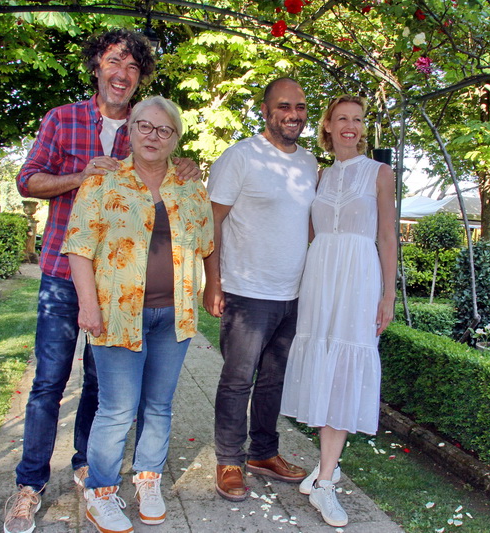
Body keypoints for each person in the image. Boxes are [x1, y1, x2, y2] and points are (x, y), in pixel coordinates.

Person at [7, 29, 200, 533]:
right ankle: (29, 485)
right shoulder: (64, 118)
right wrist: (80, 177)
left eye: (133, 67)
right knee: (49, 382)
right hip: (61, 271)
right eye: (114, 61)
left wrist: (187, 166)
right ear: (97, 65)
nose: (122, 73)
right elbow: (27, 180)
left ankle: (88, 468)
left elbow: (175, 199)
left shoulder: (149, 128)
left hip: (127, 287)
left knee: (102, 385)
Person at [62, 95, 213, 533]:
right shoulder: (103, 182)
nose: (153, 136)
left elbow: (206, 244)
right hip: (116, 315)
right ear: (130, 131)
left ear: (176, 139)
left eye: (164, 130)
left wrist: (211, 290)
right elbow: (78, 247)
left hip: (175, 316)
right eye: (145, 127)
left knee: (159, 405)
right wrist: (88, 306)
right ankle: (101, 493)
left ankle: (148, 480)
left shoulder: (190, 186)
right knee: (116, 409)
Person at [279, 94, 397, 527]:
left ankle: (326, 481)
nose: (351, 126)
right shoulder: (320, 174)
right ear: (327, 125)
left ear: (364, 127)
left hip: (359, 279)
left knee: (345, 369)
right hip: (320, 278)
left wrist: (387, 296)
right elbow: (302, 231)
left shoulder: (380, 174)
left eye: (358, 120)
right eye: (342, 118)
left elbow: (387, 238)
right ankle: (325, 469)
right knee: (322, 366)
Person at [204, 77, 317, 502]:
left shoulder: (309, 164)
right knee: (237, 381)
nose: (293, 114)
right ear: (266, 111)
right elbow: (211, 221)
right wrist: (212, 282)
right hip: (247, 292)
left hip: (292, 294)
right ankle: (229, 460)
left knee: (274, 381)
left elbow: (306, 225)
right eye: (284, 106)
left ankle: (263, 453)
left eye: (301, 107)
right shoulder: (240, 157)